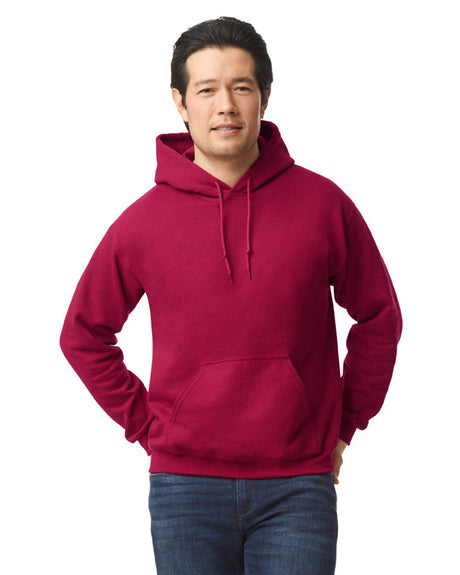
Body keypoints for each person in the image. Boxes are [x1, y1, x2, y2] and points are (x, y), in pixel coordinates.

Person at [60, 16, 402, 575]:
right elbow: (82, 334)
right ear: (180, 102)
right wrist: (146, 426)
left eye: (241, 87)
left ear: (265, 96)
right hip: (184, 489)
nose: (226, 106)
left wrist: (346, 424)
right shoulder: (143, 223)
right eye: (206, 90)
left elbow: (379, 316)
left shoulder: (323, 206)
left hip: (298, 486)